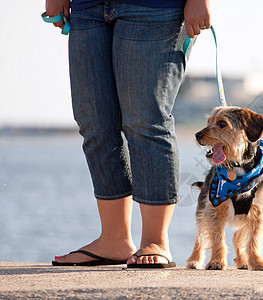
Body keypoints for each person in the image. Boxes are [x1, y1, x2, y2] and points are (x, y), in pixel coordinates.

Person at [46, 0, 211, 267]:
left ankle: (155, 241)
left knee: (146, 121)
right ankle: (114, 239)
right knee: (95, 123)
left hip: (156, 8)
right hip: (87, 7)